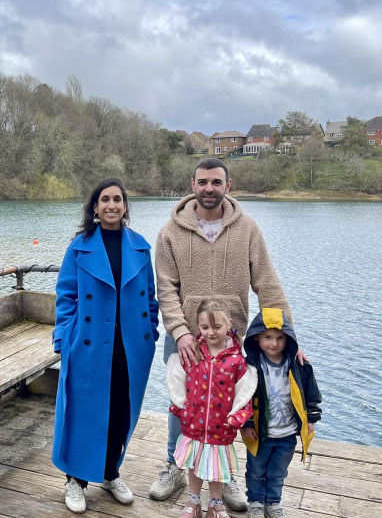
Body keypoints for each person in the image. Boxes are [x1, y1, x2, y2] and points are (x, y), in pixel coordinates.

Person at [151, 157, 302, 511]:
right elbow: (166, 288)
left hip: (232, 342)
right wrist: (181, 331)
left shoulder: (247, 228)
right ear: (192, 184)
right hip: (186, 337)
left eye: (216, 182)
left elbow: (268, 285)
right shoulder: (169, 232)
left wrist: (290, 337)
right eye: (203, 182)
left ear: (227, 186)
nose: (209, 188)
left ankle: (225, 477)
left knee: (230, 407)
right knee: (182, 405)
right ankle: (175, 466)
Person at [52, 178, 161, 514]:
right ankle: (76, 480)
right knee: (83, 411)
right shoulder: (79, 246)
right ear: (95, 208)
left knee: (120, 410)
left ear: (125, 206)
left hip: (130, 347)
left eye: (118, 199)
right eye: (105, 200)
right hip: (88, 344)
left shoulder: (140, 246)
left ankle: (111, 473)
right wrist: (63, 338)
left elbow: (150, 298)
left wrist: (151, 331)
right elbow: (66, 296)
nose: (112, 205)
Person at [166, 299, 257, 518]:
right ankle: (193, 502)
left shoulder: (237, 361)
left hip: (221, 427)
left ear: (229, 324)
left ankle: (216, 504)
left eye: (217, 327)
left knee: (217, 468)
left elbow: (245, 393)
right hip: (194, 424)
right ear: (198, 325)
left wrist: (239, 417)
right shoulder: (194, 353)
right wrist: (180, 407)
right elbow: (179, 381)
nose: (211, 332)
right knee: (194, 463)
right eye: (205, 327)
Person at [241, 308, 322, 518]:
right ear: (256, 337)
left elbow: (311, 395)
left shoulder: (299, 365)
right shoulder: (250, 366)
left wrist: (311, 420)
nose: (274, 343)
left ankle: (273, 502)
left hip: (287, 433)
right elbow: (243, 398)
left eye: (280, 338)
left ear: (289, 339)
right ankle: (256, 501)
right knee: (256, 470)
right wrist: (248, 424)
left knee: (278, 472)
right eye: (267, 337)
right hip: (260, 433)